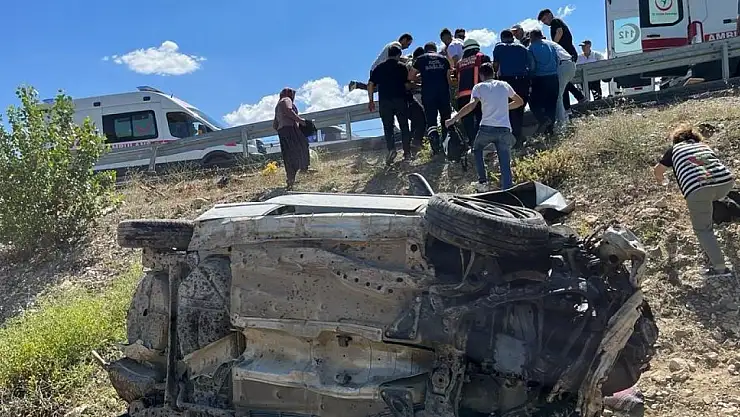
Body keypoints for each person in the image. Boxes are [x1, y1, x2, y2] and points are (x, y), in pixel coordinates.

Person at [653, 124, 735, 277]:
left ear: (676, 140)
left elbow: (658, 170)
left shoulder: (674, 150)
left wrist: (661, 181)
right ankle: (728, 215)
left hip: (698, 189)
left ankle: (720, 268)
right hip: (726, 182)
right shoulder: (703, 146)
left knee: (703, 230)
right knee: (713, 197)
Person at [445, 63, 523, 192]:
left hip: (486, 128)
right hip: (504, 129)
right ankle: (507, 189)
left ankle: (482, 182)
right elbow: (519, 102)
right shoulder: (504, 85)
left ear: (481, 75)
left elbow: (471, 106)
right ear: (493, 73)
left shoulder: (479, 87)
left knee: (477, 149)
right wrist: (503, 108)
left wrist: (453, 119)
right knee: (504, 160)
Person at [368, 45, 412, 164]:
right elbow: (407, 84)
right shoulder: (402, 67)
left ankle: (391, 150)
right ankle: (407, 153)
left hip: (385, 101)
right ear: (398, 55)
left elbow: (370, 84)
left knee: (388, 128)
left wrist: (371, 100)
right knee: (404, 126)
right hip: (400, 100)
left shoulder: (379, 67)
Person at [410, 42, 453, 156]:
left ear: (425, 50)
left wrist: (420, 79)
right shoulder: (444, 59)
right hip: (443, 93)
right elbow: (449, 80)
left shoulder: (420, 59)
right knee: (446, 119)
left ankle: (436, 148)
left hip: (428, 94)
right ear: (435, 49)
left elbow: (410, 76)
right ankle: (448, 147)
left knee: (431, 120)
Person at [493, 29, 534, 147]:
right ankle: (518, 136)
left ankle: (515, 138)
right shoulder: (522, 48)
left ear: (502, 38)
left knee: (509, 109)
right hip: (523, 80)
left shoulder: (499, 47)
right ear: (513, 37)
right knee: (519, 108)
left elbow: (495, 65)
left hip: (508, 81)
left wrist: (495, 76)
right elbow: (530, 64)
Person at [538, 9, 586, 109]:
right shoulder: (555, 24)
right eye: (543, 21)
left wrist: (553, 46)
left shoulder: (555, 22)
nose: (545, 23)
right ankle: (576, 99)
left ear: (549, 15)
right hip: (567, 55)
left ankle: (574, 101)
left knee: (562, 80)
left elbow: (559, 32)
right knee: (563, 81)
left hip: (567, 55)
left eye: (544, 19)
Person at [455, 38, 491, 146]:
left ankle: (473, 143)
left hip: (462, 96)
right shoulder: (482, 57)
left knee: (468, 122)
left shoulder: (459, 63)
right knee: (482, 119)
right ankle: (483, 144)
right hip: (479, 94)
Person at [272, 88, 310, 190]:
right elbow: (288, 110)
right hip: (290, 128)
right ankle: (304, 169)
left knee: (288, 156)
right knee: (303, 145)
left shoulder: (277, 105)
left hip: (282, 131)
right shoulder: (286, 100)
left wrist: (282, 130)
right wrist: (301, 121)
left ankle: (290, 179)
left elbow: (275, 125)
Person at [527, 29, 560, 135]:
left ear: (532, 37)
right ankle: (550, 132)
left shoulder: (531, 48)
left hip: (540, 79)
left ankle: (543, 120)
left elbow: (532, 66)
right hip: (554, 78)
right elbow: (557, 60)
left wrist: (530, 78)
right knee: (551, 106)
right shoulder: (551, 45)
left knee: (533, 102)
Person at [541, 38, 577, 125]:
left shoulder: (542, 46)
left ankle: (562, 124)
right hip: (569, 64)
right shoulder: (549, 43)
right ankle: (565, 117)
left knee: (557, 96)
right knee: (559, 94)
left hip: (562, 65)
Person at [407, 47, 427, 154]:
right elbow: (410, 80)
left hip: (413, 95)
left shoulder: (410, 64)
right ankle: (418, 141)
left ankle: (414, 142)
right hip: (416, 93)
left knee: (415, 120)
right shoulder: (414, 65)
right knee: (422, 118)